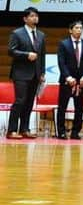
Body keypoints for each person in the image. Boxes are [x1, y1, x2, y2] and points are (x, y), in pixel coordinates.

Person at [7, 7, 46, 140]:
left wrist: (42, 72)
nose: (35, 18)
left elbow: (42, 55)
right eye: (32, 16)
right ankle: (11, 130)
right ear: (25, 19)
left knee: (29, 102)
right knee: (20, 101)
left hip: (35, 73)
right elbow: (11, 51)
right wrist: (26, 55)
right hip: (21, 73)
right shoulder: (17, 33)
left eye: (36, 16)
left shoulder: (41, 35)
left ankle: (25, 129)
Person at [55, 19, 83, 139]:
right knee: (62, 107)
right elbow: (61, 62)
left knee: (79, 107)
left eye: (81, 28)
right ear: (70, 30)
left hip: (81, 82)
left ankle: (76, 131)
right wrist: (68, 77)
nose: (79, 30)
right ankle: (61, 131)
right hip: (67, 81)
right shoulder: (63, 44)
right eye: (76, 28)